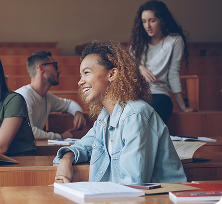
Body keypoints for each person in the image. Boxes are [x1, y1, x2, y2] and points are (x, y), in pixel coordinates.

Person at [54, 41, 186, 184]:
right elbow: (82, 146)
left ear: (112, 74)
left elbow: (133, 183)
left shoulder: (135, 115)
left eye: (86, 73)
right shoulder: (105, 117)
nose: (80, 82)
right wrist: (66, 160)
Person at [129, 0, 197, 124]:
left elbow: (173, 74)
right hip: (137, 94)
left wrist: (183, 107)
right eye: (144, 21)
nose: (147, 26)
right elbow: (126, 69)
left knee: (144, 116)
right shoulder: (138, 43)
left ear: (162, 20)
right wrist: (139, 68)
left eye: (152, 20)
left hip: (159, 95)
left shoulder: (174, 41)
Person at [15, 51, 86, 140]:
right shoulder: (23, 96)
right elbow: (29, 131)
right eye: (54, 66)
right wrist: (60, 136)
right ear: (41, 68)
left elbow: (69, 104)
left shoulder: (47, 98)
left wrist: (78, 113)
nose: (59, 70)